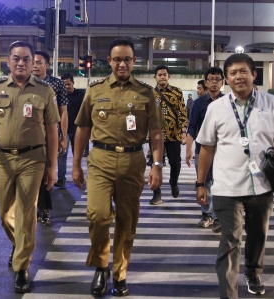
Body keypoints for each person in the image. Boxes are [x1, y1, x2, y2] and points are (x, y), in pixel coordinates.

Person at [0, 41, 60, 293]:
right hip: (3, 159)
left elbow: (52, 131)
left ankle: (22, 268)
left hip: (33, 159)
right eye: (17, 58)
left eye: (27, 59)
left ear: (33, 62)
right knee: (5, 213)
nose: (22, 63)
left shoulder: (44, 91)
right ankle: (19, 246)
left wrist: (53, 166)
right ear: (8, 61)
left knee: (27, 212)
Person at [195, 53, 274, 298]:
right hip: (226, 187)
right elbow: (207, 148)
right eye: (233, 73)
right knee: (230, 240)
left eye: (243, 71)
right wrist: (200, 183)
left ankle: (253, 271)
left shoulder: (270, 103)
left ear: (254, 75)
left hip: (261, 185)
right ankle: (228, 293)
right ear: (226, 79)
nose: (238, 76)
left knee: (258, 234)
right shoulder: (216, 108)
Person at [72, 38, 164, 297]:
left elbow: (156, 133)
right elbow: (82, 129)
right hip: (100, 159)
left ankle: (119, 273)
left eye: (127, 59)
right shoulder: (95, 90)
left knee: (127, 220)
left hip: (133, 162)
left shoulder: (147, 93)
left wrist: (156, 165)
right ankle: (101, 264)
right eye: (117, 59)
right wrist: (76, 164)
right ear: (109, 61)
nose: (122, 63)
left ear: (134, 61)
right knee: (98, 215)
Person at [185, 67, 225, 233]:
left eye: (217, 79)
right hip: (202, 150)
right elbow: (192, 127)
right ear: (206, 82)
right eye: (211, 79)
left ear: (223, 82)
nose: (214, 82)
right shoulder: (199, 103)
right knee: (204, 182)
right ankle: (207, 214)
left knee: (220, 183)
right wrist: (188, 149)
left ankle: (218, 217)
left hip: (223, 152)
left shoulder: (228, 101)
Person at [33, 50, 68, 224]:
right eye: (33, 62)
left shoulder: (56, 84)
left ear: (47, 64)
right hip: (31, 138)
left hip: (50, 137)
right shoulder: (25, 83)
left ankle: (44, 209)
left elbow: (63, 111)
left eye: (39, 62)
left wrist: (63, 137)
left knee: (46, 173)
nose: (34, 65)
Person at [150, 65, 188, 205]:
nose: (162, 77)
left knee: (175, 163)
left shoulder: (177, 92)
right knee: (156, 164)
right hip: (156, 136)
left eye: (164, 74)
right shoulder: (150, 93)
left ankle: (173, 182)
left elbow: (182, 112)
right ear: (155, 77)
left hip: (174, 134)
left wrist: (184, 132)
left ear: (169, 76)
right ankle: (157, 193)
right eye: (159, 75)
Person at [61, 72, 87, 162]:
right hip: (65, 130)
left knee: (77, 155)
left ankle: (77, 173)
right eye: (64, 85)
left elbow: (84, 113)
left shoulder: (81, 95)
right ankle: (61, 177)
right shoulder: (60, 96)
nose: (67, 86)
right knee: (62, 155)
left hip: (77, 130)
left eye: (68, 84)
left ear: (73, 83)